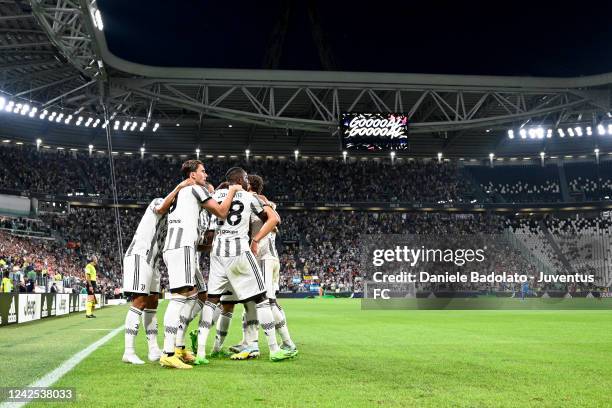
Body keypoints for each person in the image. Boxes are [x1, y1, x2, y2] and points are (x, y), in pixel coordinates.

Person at [195, 167, 294, 364]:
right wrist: (256, 239)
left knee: (212, 301)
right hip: (240, 252)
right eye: (246, 177)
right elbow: (275, 219)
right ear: (240, 179)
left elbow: (210, 226)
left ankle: (200, 353)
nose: (248, 180)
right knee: (262, 299)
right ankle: (275, 349)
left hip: (217, 254)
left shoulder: (215, 194)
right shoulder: (249, 197)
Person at [159, 160, 241, 369]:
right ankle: (169, 352)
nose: (206, 175)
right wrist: (232, 191)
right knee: (179, 297)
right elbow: (222, 212)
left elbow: (162, 209)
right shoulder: (196, 189)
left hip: (179, 247)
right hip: (183, 247)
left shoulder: (181, 193)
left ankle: (178, 347)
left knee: (195, 295)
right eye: (203, 172)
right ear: (193, 175)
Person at [121, 178, 195, 365]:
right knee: (139, 301)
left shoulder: (176, 219)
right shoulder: (158, 201)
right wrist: (179, 186)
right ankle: (128, 351)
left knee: (153, 302)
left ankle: (153, 348)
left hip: (154, 263)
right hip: (140, 256)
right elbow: (161, 208)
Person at [230, 175, 297, 360]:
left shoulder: (256, 200)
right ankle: (250, 343)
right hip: (262, 258)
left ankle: (288, 342)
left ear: (249, 185)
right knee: (252, 301)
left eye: (243, 182)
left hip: (265, 258)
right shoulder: (259, 201)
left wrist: (255, 239)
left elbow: (275, 219)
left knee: (267, 301)